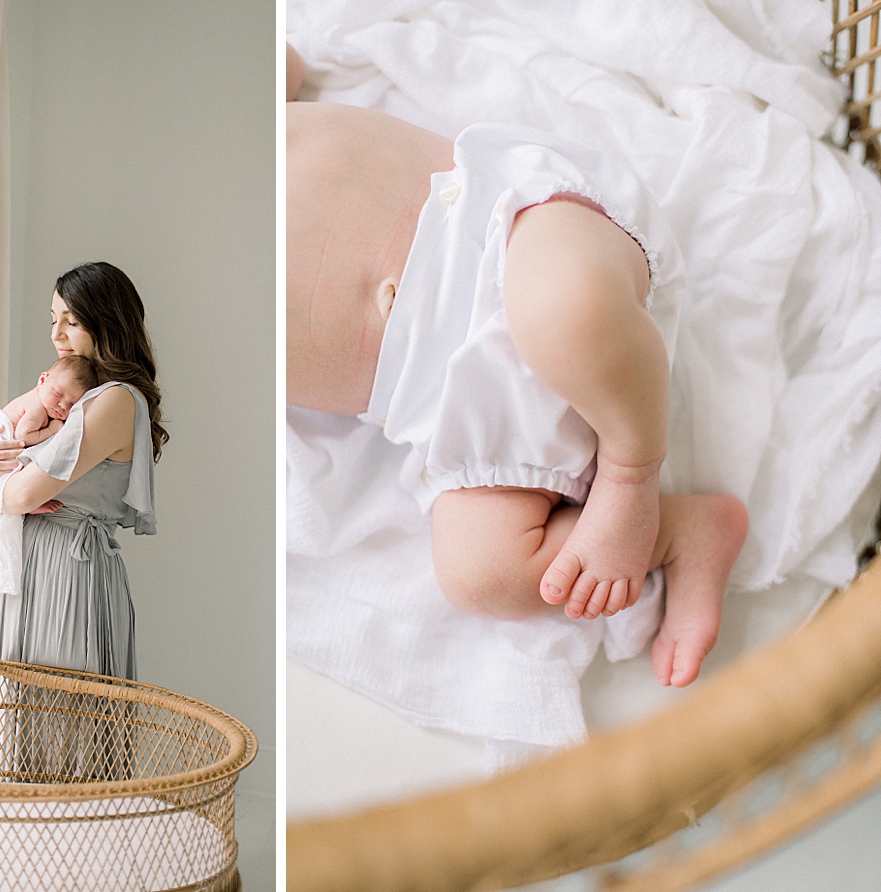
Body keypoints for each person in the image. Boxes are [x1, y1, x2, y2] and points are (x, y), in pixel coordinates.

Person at [286, 45, 747, 688]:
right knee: (481, 577)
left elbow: (282, 59)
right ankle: (679, 533)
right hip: (454, 408)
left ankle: (631, 469)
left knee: (568, 311)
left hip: (498, 239)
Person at [0, 261, 166, 683]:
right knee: (24, 716)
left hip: (66, 566)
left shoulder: (115, 400)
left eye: (72, 321)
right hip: (32, 559)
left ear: (107, 323)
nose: (56, 334)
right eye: (54, 320)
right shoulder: (66, 387)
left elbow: (19, 497)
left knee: (59, 720)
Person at [0, 353, 98, 604]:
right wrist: (53, 430)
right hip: (0, 436)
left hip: (2, 445)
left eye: (71, 405)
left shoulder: (47, 401)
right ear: (42, 380)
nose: (61, 406)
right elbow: (25, 437)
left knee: (4, 499)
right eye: (58, 395)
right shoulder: (38, 408)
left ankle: (19, 512)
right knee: (3, 499)